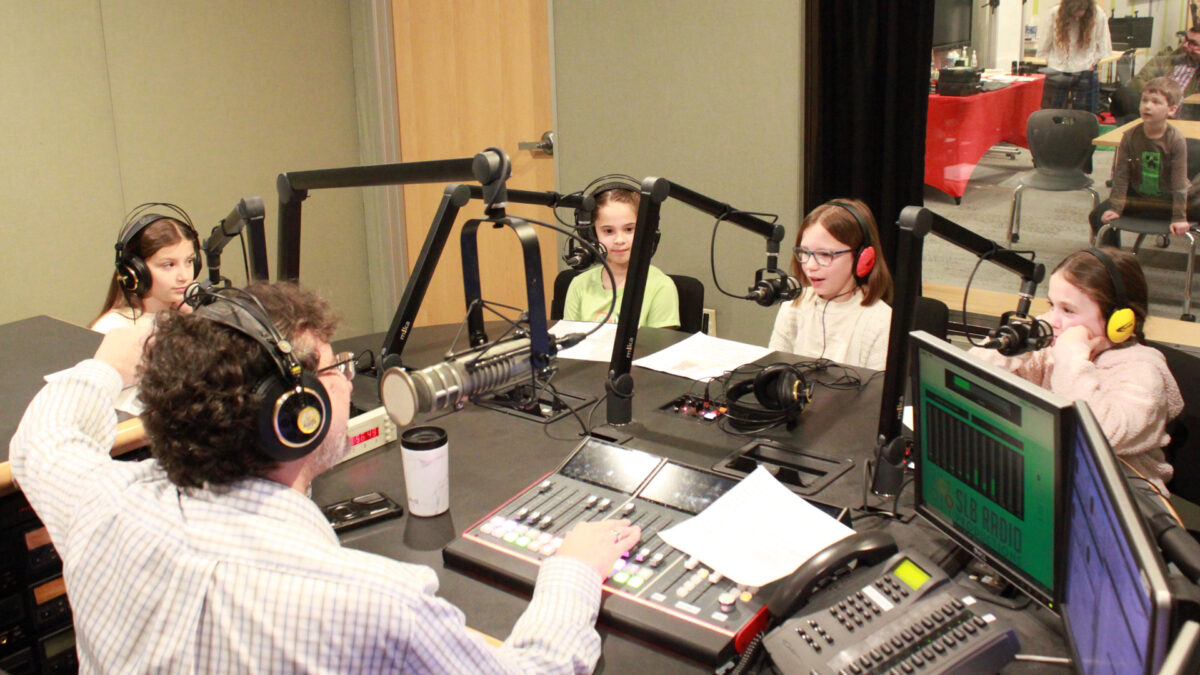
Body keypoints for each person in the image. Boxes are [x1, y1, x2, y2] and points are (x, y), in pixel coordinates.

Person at [10, 281, 641, 672]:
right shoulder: (372, 606)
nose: (347, 378)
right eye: (337, 368)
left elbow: (43, 440)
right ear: (295, 416)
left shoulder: (102, 506)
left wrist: (107, 364)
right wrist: (572, 573)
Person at [970, 249, 1183, 494]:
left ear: (1118, 321)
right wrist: (1015, 347)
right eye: (1052, 305)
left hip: (1121, 503)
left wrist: (1071, 360)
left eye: (1068, 310)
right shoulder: (1053, 349)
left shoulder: (1141, 370)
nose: (1052, 320)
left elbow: (1103, 434)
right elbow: (972, 380)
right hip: (1051, 484)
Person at [768, 199, 894, 370]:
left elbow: (878, 394)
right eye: (804, 252)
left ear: (862, 258)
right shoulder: (794, 305)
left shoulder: (881, 321)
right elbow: (774, 373)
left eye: (825, 254)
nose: (810, 266)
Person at [1090, 77, 1190, 247]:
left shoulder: (1175, 140)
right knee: (1098, 214)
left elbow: (1179, 183)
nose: (1147, 106)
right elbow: (1121, 176)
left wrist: (1179, 217)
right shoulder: (1130, 137)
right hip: (1139, 198)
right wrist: (1116, 208)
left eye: (1156, 102)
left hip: (1169, 201)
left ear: (1172, 110)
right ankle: (1113, 260)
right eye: (1144, 100)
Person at [563, 184, 680, 328]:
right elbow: (569, 345)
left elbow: (659, 348)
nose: (619, 240)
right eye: (608, 231)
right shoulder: (579, 285)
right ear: (591, 234)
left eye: (629, 229)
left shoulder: (661, 286)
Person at [91, 204, 201, 333]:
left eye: (189, 261)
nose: (184, 277)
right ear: (136, 271)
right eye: (169, 265)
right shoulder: (112, 328)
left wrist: (192, 320)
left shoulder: (194, 315)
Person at [1111, 25, 1200, 123]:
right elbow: (1137, 81)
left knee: (1132, 118)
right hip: (1154, 105)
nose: (1185, 45)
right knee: (1123, 94)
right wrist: (1159, 97)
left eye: (1193, 44)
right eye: (1185, 40)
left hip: (1184, 116)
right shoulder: (1166, 57)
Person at [1037, 0, 1113, 114]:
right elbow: (1044, 43)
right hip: (1057, 69)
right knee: (1052, 114)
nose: (1078, 14)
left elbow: (1104, 44)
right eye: (1075, 11)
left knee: (1085, 115)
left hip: (1086, 69)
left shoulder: (1098, 14)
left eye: (1081, 10)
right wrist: (1050, 62)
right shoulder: (1054, 14)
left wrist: (1094, 62)